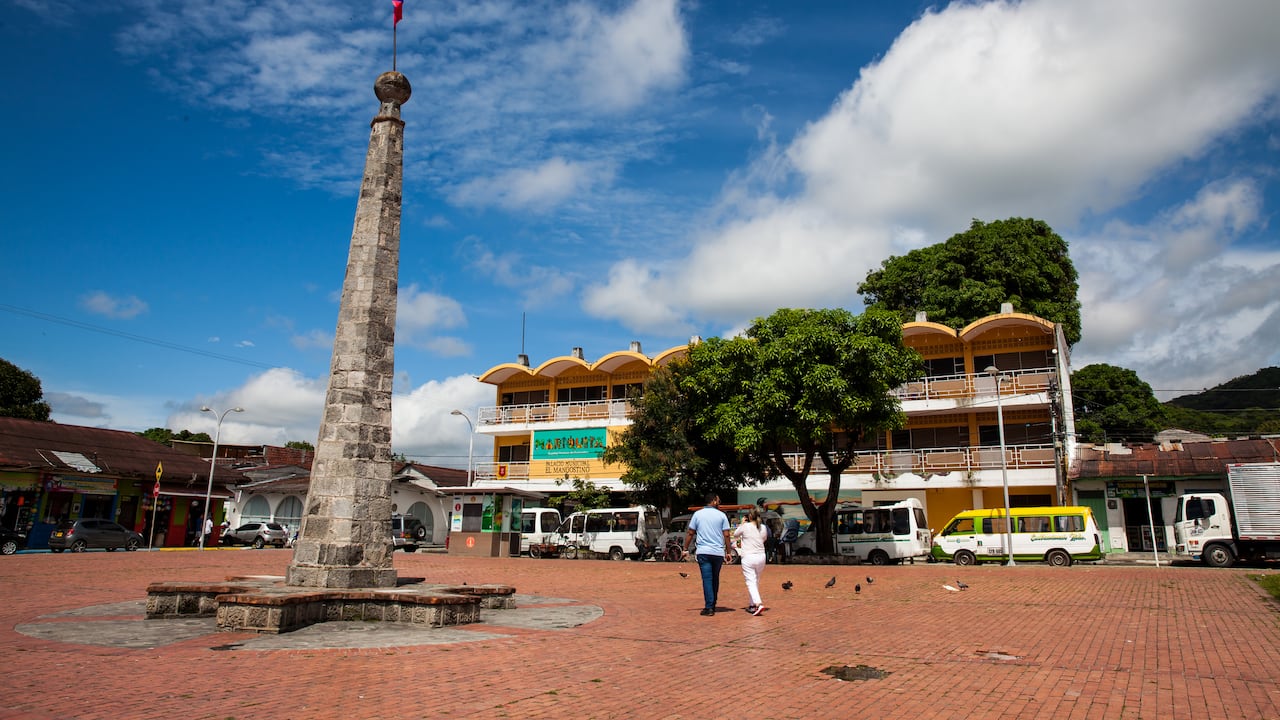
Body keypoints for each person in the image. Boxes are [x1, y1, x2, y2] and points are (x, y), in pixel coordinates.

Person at [683, 493, 731, 616]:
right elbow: (726, 534)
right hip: (718, 552)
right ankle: (713, 602)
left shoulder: (698, 514)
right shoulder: (722, 516)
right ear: (714, 501)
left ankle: (709, 607)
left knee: (707, 579)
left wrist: (685, 548)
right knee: (715, 578)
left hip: (703, 551)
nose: (719, 501)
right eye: (718, 500)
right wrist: (729, 552)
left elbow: (690, 533)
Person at [733, 508, 769, 615]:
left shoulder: (745, 526)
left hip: (748, 556)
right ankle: (752, 605)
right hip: (761, 556)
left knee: (750, 581)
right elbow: (764, 539)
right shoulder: (763, 527)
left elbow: (735, 534)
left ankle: (758, 603)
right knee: (755, 581)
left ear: (749, 516)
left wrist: (741, 524)